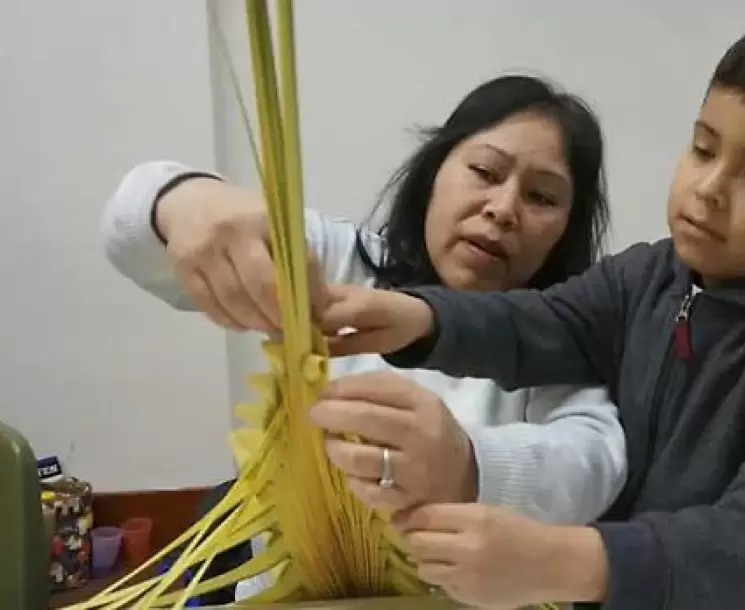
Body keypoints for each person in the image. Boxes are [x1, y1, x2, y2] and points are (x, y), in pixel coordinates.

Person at [306, 9, 745, 610]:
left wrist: (573, 559)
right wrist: (424, 319)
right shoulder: (648, 274)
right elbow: (541, 323)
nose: (709, 190)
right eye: (703, 148)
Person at [100, 75, 626, 600]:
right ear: (435, 171)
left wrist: (467, 463)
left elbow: (593, 462)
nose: (503, 207)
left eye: (541, 197)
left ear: (566, 230)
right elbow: (131, 224)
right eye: (485, 171)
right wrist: (187, 203)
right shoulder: (338, 265)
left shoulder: (555, 342)